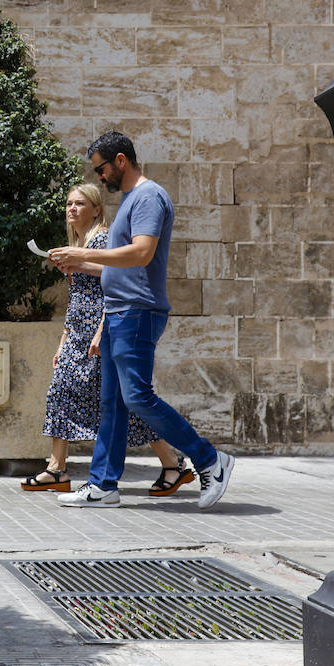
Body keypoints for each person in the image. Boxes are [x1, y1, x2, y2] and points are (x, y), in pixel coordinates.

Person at [49, 131, 236, 510]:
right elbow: (120, 266)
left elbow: (141, 253)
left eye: (101, 169)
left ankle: (209, 460)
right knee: (113, 405)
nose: (99, 177)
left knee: (136, 396)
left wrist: (81, 254)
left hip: (137, 311)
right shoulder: (132, 200)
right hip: (120, 311)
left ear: (120, 160)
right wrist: (78, 262)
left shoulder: (149, 196)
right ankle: (103, 485)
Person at [21, 182, 194, 496]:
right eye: (69, 203)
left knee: (122, 403)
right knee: (61, 392)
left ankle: (173, 461)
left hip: (101, 329)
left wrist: (103, 328)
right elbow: (77, 297)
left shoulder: (101, 237)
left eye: (80, 203)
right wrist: (63, 337)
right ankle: (56, 468)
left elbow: (115, 282)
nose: (72, 208)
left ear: (97, 209)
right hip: (78, 333)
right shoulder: (80, 241)